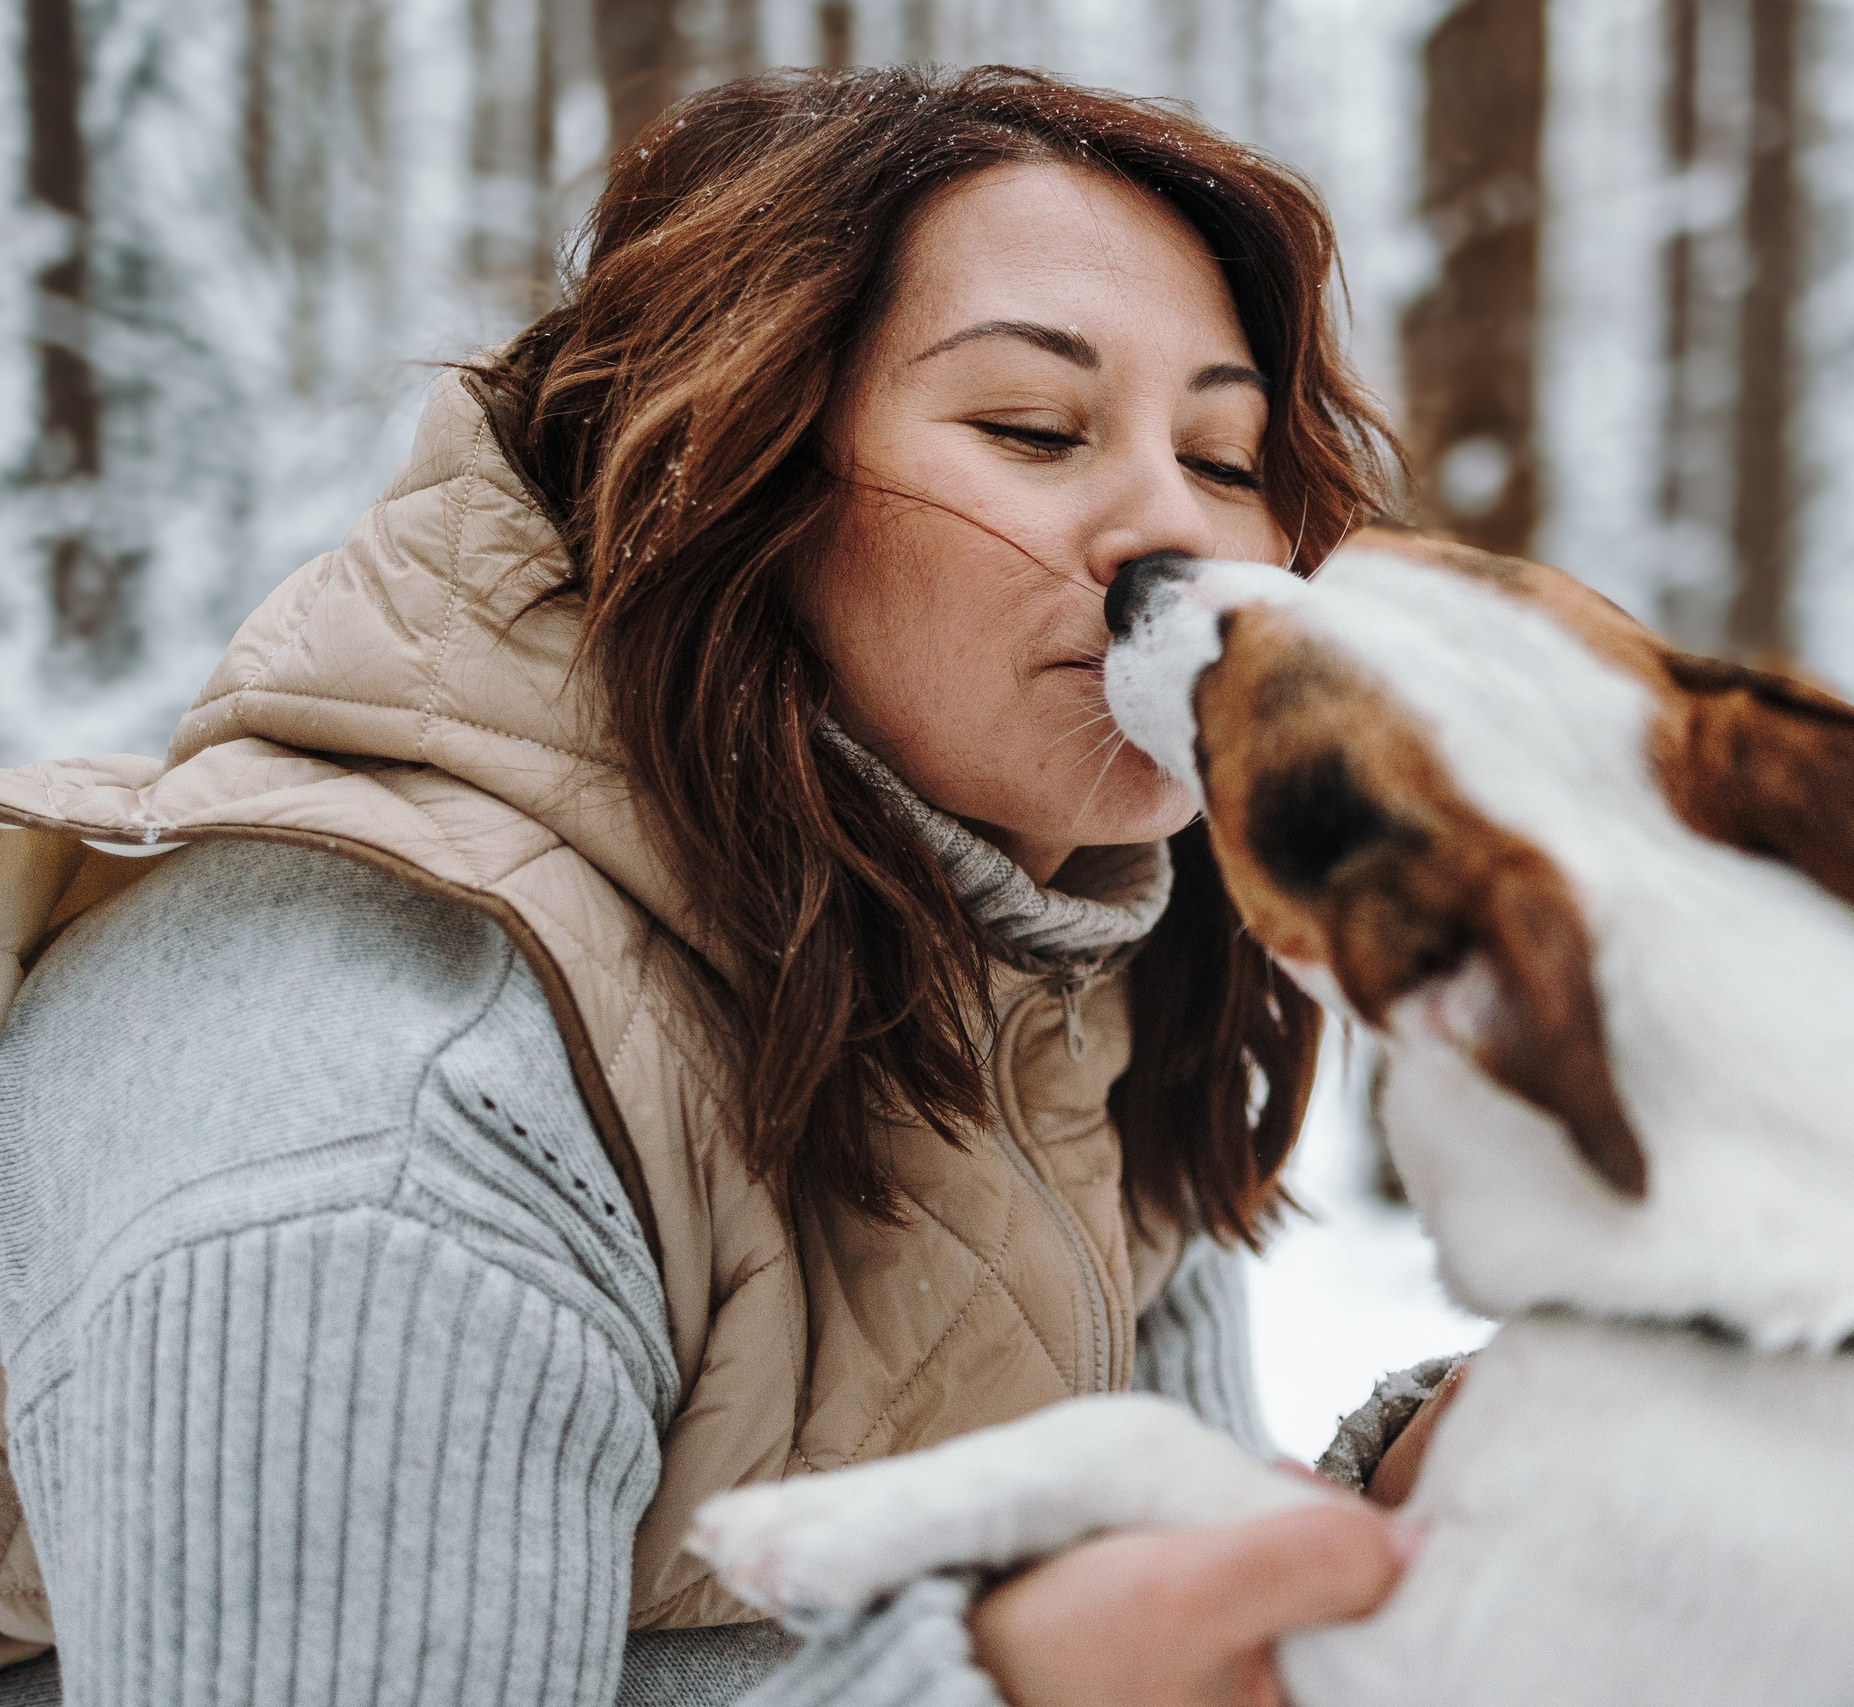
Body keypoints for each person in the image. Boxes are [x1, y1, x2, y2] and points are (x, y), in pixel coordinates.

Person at [0, 64, 1451, 1707]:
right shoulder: (387, 1090)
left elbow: (1150, 1620)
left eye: (1228, 455)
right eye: (1033, 430)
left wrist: (1409, 1517)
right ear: (732, 468)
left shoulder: (1062, 957)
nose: (1170, 532)